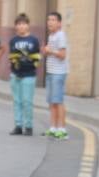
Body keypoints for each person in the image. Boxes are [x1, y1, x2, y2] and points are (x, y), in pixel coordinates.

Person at [7, 14, 40, 136]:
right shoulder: (13, 41)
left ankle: (29, 126)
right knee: (17, 101)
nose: (21, 26)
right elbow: (11, 57)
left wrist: (33, 64)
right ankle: (18, 126)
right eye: (19, 24)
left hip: (29, 74)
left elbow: (37, 57)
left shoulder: (34, 40)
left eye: (24, 24)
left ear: (28, 25)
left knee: (27, 101)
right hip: (15, 74)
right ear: (16, 26)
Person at [42, 11, 68, 139]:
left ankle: (62, 129)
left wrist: (50, 51)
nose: (50, 22)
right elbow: (51, 53)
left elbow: (63, 55)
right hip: (51, 72)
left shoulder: (60, 35)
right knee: (52, 102)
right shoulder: (51, 36)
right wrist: (46, 52)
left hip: (58, 73)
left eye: (53, 20)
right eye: (49, 20)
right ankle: (53, 128)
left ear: (59, 23)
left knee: (58, 101)